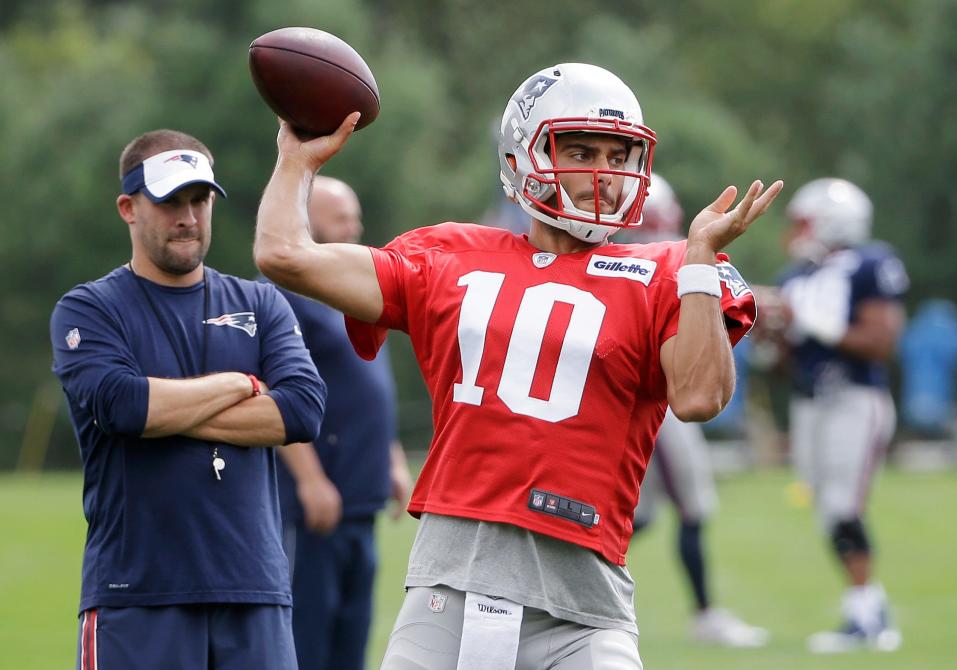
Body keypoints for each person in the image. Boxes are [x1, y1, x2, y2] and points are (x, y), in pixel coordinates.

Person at [255, 63, 782, 669]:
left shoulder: (666, 271)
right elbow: (284, 254)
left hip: (583, 608)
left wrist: (699, 263)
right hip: (446, 592)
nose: (602, 175)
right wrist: (296, 159)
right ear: (520, 155)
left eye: (618, 156)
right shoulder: (447, 255)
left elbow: (698, 398)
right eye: (580, 150)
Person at [50, 129, 326, 670]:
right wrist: (243, 384)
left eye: (199, 200)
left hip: (254, 591)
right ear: (128, 208)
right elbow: (124, 406)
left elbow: (301, 410)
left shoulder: (260, 301)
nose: (189, 217)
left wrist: (167, 411)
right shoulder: (89, 309)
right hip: (137, 594)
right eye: (170, 201)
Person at [270, 176, 413, 670]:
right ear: (308, 223)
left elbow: (368, 388)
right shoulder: (288, 296)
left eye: (356, 218)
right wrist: (309, 480)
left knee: (352, 641)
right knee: (308, 641)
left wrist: (392, 458)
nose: (354, 228)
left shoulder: (356, 291)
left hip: (361, 499)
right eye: (341, 219)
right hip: (316, 505)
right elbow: (274, 395)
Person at [623, 174, 769, 648]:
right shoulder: (644, 266)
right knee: (691, 506)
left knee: (638, 515)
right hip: (656, 401)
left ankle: (568, 578)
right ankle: (705, 613)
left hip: (645, 398)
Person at [778, 177, 908, 653]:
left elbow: (880, 342)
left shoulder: (871, 262)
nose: (794, 233)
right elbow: (789, 355)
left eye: (803, 223)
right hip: (811, 401)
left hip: (856, 398)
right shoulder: (798, 275)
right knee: (827, 511)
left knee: (842, 507)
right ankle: (866, 611)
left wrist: (814, 325)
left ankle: (868, 616)